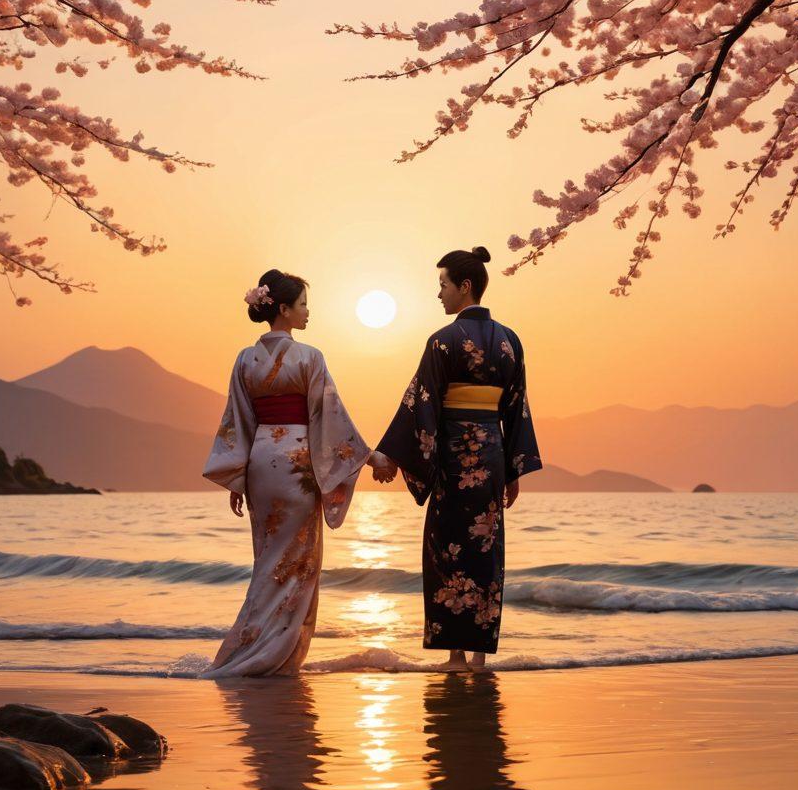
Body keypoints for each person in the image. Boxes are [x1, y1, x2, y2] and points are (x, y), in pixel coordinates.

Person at [200, 269, 394, 677]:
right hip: (298, 461)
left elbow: (239, 419)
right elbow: (330, 417)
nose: (308, 312)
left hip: (260, 463)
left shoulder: (245, 359)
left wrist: (237, 477)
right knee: (300, 563)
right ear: (284, 309)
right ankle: (277, 656)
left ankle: (250, 648)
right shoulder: (309, 357)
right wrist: (369, 456)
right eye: (303, 304)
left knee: (268, 561)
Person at [377, 247, 542, 671]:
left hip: (454, 457)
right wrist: (513, 468)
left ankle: (454, 656)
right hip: (491, 455)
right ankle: (480, 657)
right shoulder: (511, 341)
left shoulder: (442, 341)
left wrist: (394, 454)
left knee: (447, 549)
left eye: (443, 285)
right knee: (486, 551)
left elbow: (422, 403)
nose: (440, 295)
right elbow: (517, 408)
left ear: (464, 286)